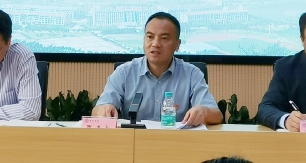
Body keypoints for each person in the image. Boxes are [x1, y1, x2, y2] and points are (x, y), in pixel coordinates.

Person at [92, 12, 222, 126]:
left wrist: (204, 112)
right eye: (150, 37)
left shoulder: (192, 74)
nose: (155, 44)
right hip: (134, 141)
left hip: (177, 142)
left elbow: (216, 115)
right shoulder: (124, 73)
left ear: (177, 45)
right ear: (144, 40)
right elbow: (97, 111)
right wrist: (104, 109)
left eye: (164, 38)